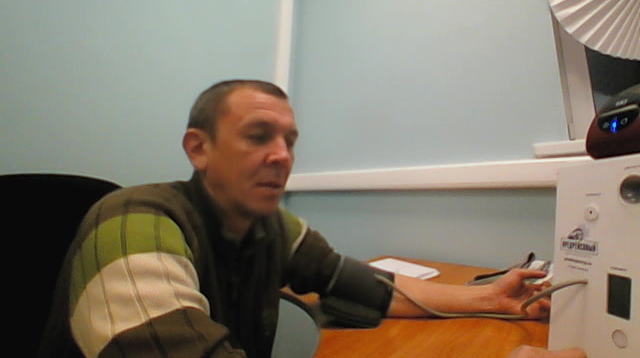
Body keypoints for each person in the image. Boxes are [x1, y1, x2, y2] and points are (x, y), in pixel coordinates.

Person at [39, 79, 587, 358]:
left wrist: (491, 299)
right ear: (198, 148)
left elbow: (368, 288)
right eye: (258, 136)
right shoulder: (133, 220)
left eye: (290, 141)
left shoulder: (271, 229)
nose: (283, 156)